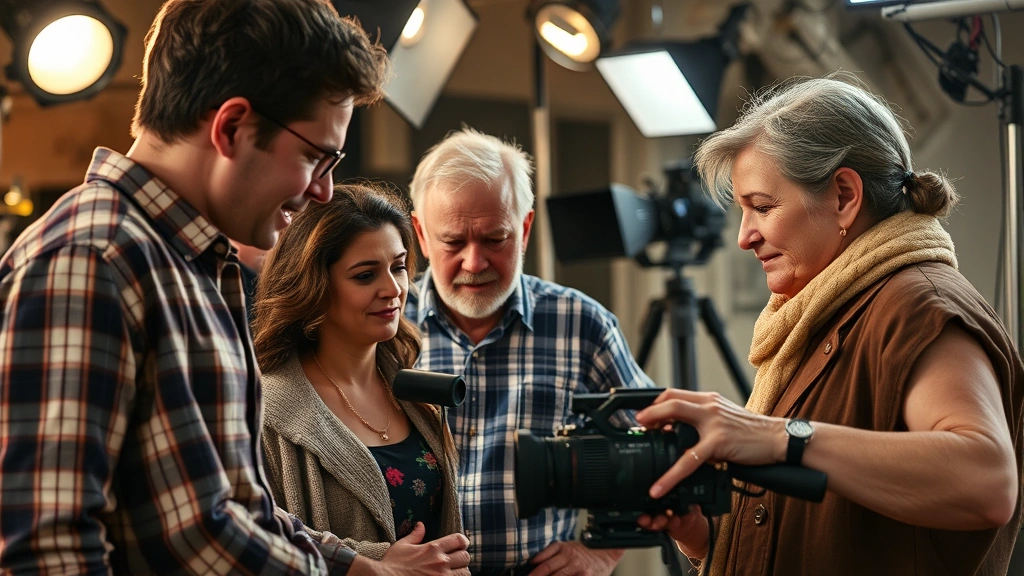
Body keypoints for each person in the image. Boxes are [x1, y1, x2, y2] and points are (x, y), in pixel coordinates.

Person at [0, 0, 413, 573]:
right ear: (232, 128)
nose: (324, 191)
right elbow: (46, 548)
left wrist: (361, 568)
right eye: (316, 158)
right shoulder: (92, 258)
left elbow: (229, 513)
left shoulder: (195, 264)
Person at [634, 75, 1024, 576]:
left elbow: (985, 480)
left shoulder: (917, 302)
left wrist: (781, 437)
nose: (744, 237)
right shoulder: (823, 311)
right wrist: (701, 536)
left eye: (762, 207)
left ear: (843, 195)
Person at [405, 127, 655, 576]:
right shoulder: (386, 328)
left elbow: (653, 451)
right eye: (453, 242)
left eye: (494, 239)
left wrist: (601, 553)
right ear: (421, 235)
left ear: (524, 228)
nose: (474, 262)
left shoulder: (582, 324)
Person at [254, 183, 469, 575]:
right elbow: (254, 538)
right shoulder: (265, 408)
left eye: (399, 266)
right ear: (314, 285)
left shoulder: (410, 391)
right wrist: (375, 563)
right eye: (366, 275)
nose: (394, 289)